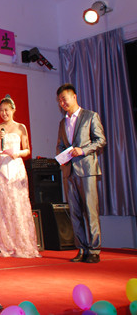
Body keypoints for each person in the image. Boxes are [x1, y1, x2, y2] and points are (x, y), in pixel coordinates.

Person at [56, 83, 106, 264]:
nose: (62, 103)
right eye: (59, 100)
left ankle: (94, 249)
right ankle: (82, 248)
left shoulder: (90, 116)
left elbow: (100, 140)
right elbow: (60, 145)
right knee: (75, 212)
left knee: (90, 211)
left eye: (64, 99)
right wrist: (62, 159)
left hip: (87, 171)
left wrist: (83, 150)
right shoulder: (63, 123)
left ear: (74, 97)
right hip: (69, 172)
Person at [0, 96, 40, 258]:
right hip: (2, 169)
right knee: (6, 206)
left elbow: (27, 150)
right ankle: (8, 244)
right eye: (1, 110)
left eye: (6, 110)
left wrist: (17, 153)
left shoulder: (20, 127)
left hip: (17, 168)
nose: (4, 113)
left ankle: (24, 243)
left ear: (13, 110)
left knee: (19, 204)